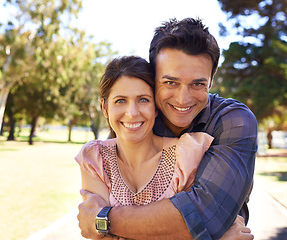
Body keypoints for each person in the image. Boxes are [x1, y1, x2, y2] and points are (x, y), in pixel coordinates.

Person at [77, 18, 258, 240]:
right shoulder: (137, 123)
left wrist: (105, 220)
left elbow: (205, 218)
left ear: (211, 81)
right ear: (153, 79)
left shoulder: (233, 120)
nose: (183, 99)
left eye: (198, 84)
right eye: (170, 82)